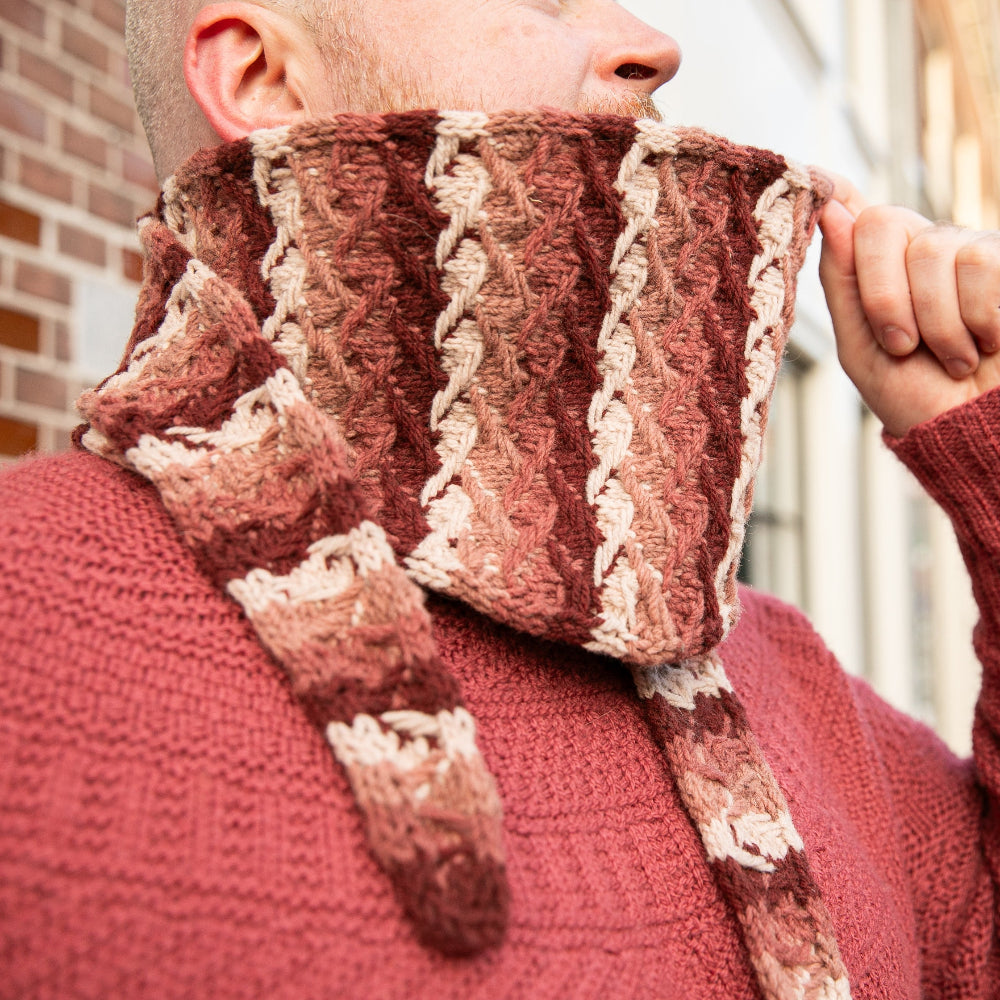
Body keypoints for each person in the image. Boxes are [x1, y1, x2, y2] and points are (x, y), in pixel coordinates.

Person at [3, 1, 1000, 998]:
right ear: (262, 77)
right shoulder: (28, 627)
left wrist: (986, 444)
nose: (654, 47)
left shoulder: (794, 679)